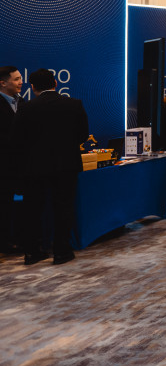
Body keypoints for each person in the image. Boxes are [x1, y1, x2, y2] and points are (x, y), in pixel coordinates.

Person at [14, 69, 89, 265]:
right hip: (66, 165)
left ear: (33, 87)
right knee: (63, 208)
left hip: (34, 167)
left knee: (33, 210)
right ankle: (61, 252)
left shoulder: (25, 108)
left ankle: (32, 252)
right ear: (55, 83)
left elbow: (18, 139)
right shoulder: (74, 104)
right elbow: (83, 135)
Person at [0, 66, 24, 253]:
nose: (21, 82)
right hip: (4, 165)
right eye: (16, 79)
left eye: (20, 78)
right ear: (3, 83)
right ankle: (4, 242)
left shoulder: (22, 102)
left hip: (23, 165)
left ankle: (20, 237)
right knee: (4, 205)